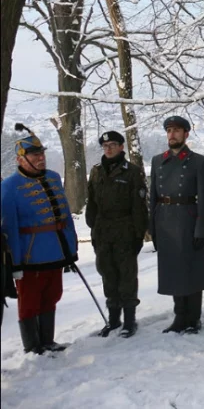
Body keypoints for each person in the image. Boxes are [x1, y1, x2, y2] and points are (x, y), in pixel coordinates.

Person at [1, 125, 79, 353]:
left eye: (42, 153)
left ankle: (48, 341)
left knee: (52, 295)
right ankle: (32, 347)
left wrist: (70, 249)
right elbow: (10, 229)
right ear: (20, 159)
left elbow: (65, 216)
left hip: (55, 250)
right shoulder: (8, 187)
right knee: (29, 302)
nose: (41, 158)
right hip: (29, 255)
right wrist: (15, 263)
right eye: (35, 155)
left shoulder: (54, 178)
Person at [149, 116, 204, 334]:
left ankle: (193, 318)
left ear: (186, 134)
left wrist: (201, 231)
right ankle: (179, 316)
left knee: (192, 269)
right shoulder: (158, 161)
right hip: (165, 220)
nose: (172, 135)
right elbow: (153, 197)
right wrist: (153, 229)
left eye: (177, 131)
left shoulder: (199, 161)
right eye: (169, 130)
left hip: (188, 218)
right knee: (173, 271)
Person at [86, 131, 149, 337]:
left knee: (127, 277)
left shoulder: (132, 171)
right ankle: (113, 320)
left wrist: (138, 234)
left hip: (125, 230)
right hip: (103, 231)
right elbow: (92, 203)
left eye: (113, 145)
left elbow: (139, 207)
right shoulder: (96, 172)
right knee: (108, 275)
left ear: (122, 147)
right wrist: (93, 228)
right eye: (105, 146)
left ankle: (129, 321)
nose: (109, 149)